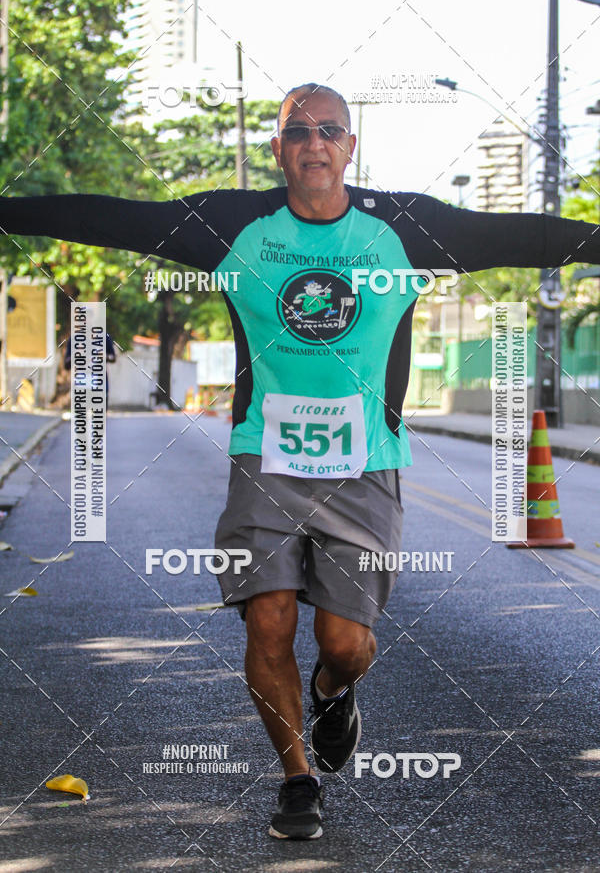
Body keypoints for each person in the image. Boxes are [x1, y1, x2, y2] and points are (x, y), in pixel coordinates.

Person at [1, 82, 599, 840]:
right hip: (266, 459)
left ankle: (333, 690)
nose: (314, 143)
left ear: (350, 148)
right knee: (269, 621)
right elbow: (113, 220)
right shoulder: (233, 223)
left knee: (344, 644)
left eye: (329, 131)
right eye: (298, 132)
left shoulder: (405, 229)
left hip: (366, 463)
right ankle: (297, 781)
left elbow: (521, 235)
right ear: (278, 149)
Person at [64, 331, 117, 406]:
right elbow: (66, 365)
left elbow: (113, 357)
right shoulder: (74, 339)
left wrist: (105, 356)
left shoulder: (104, 337)